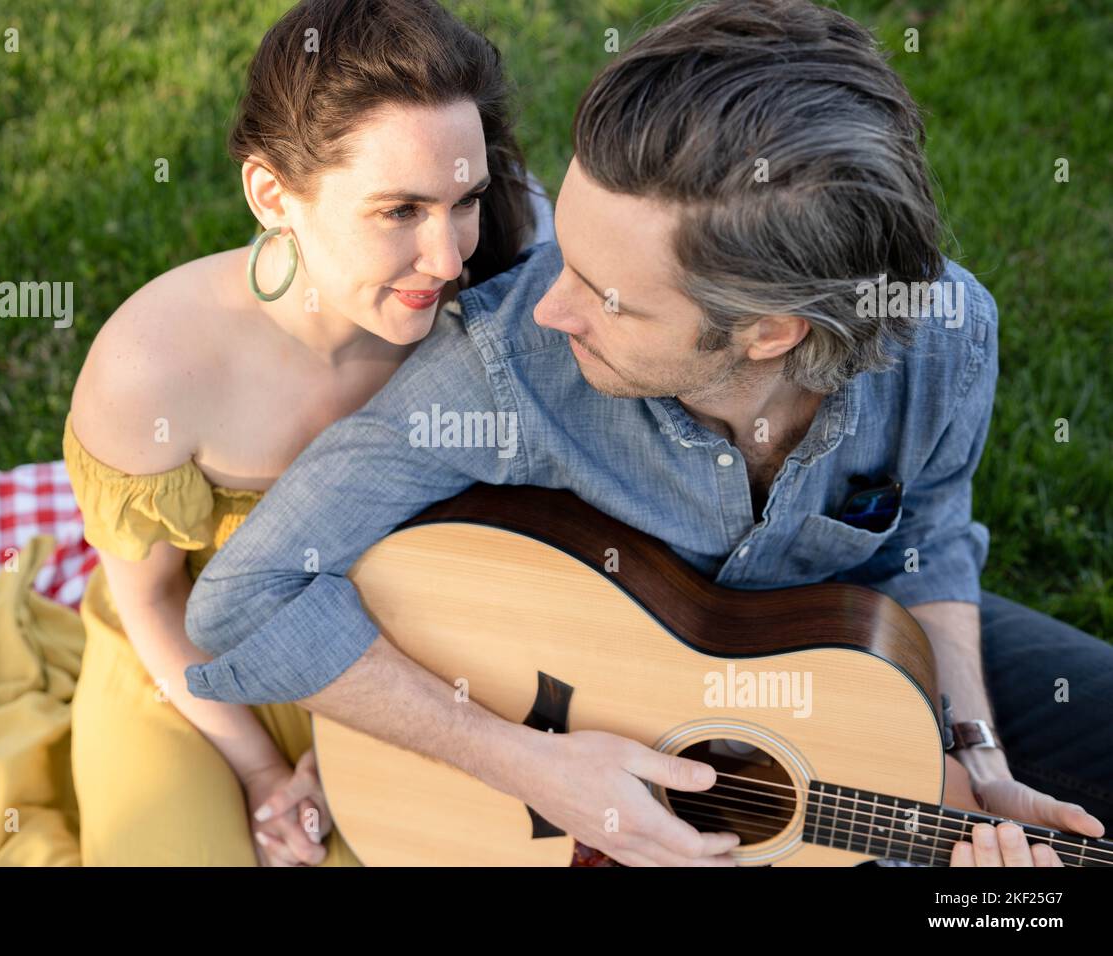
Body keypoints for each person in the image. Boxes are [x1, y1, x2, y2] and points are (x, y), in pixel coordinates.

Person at [180, 0, 1113, 868]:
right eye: (569, 252)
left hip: (851, 661)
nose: (549, 307)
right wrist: (528, 765)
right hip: (601, 723)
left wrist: (974, 752)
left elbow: (928, 542)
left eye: (607, 296)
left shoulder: (946, 337)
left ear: (771, 332)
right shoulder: (505, 369)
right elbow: (247, 596)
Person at [64, 0, 552, 866]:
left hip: (407, 656)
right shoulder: (152, 369)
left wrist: (365, 732)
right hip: (199, 671)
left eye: (465, 200)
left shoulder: (489, 297)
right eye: (399, 211)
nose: (448, 260)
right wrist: (261, 772)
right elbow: (151, 599)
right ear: (271, 195)